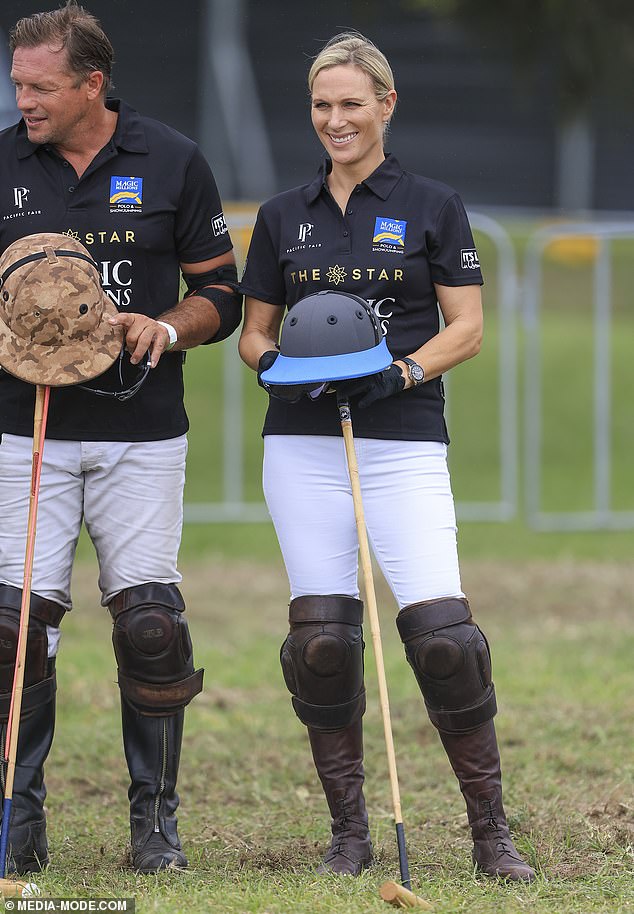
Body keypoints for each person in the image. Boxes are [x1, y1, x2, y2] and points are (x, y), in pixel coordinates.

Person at [238, 31, 535, 882]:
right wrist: (280, 372)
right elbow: (254, 334)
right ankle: (349, 835)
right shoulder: (282, 215)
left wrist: (400, 371)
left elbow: (467, 327)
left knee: (445, 637)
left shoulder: (434, 203)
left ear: (386, 105)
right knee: (323, 642)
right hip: (303, 448)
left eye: (351, 104)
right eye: (322, 106)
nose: (336, 119)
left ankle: (490, 835)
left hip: (402, 440)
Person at [0, 1, 241, 875]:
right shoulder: (2, 160)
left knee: (149, 625)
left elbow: (224, 292)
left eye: (41, 86)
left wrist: (167, 329)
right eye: (18, 83)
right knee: (13, 630)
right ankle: (17, 821)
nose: (23, 99)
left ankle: (155, 823)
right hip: (22, 432)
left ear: (91, 84)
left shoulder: (172, 158)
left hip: (140, 430)